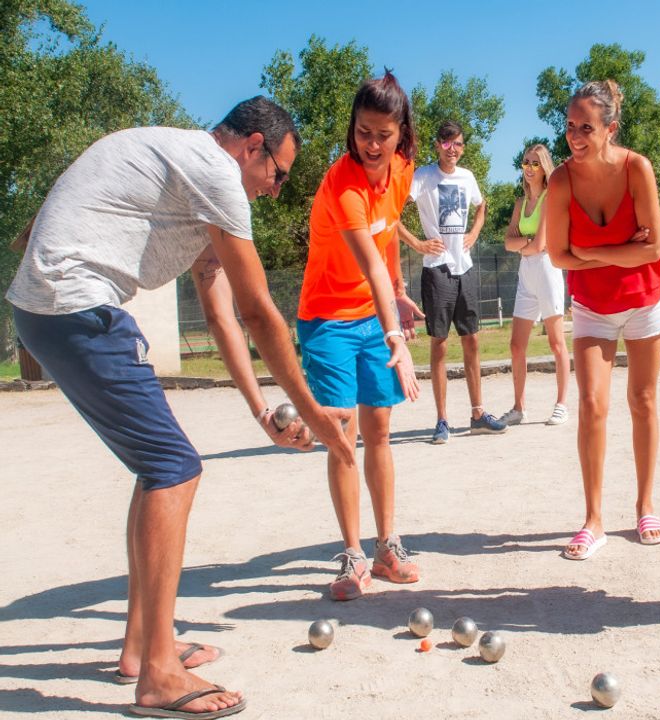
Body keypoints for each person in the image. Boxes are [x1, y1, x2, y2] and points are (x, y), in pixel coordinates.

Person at [6, 96, 354, 718]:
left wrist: (261, 412)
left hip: (54, 308)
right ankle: (160, 678)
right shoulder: (215, 173)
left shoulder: (187, 170)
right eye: (277, 174)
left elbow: (220, 308)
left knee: (159, 468)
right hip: (77, 307)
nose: (274, 191)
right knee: (175, 469)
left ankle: (143, 648)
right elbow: (259, 313)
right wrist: (319, 416)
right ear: (253, 146)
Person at [298, 72, 424, 602]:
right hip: (327, 318)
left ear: (401, 135)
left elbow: (388, 237)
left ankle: (386, 547)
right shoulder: (342, 185)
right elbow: (367, 262)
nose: (371, 145)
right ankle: (352, 556)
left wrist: (397, 292)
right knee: (342, 434)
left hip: (373, 316)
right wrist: (395, 330)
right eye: (362, 132)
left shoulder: (402, 170)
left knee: (380, 431)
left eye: (383, 134)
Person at [545, 80, 660, 560]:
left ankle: (645, 506)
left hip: (645, 298)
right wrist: (622, 253)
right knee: (592, 404)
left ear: (610, 128)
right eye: (570, 127)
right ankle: (593, 520)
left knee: (642, 400)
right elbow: (559, 257)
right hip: (593, 307)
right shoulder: (560, 180)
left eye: (586, 127)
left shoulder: (638, 168)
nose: (575, 137)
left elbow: (655, 248)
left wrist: (589, 252)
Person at [398, 121, 507, 443]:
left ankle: (477, 414)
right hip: (437, 269)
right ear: (437, 145)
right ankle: (442, 420)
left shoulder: (468, 177)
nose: (452, 149)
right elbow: (391, 212)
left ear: (463, 147)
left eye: (457, 144)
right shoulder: (423, 177)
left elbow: (481, 205)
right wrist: (417, 244)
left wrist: (474, 232)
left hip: (465, 268)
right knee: (440, 343)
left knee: (472, 340)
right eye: (446, 143)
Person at [498, 144, 570, 426]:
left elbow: (541, 244)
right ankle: (518, 408)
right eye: (526, 162)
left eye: (535, 163)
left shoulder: (551, 198)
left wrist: (524, 245)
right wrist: (525, 246)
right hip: (526, 272)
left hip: (548, 270)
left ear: (544, 168)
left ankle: (562, 404)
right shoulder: (519, 204)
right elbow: (508, 242)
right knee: (517, 345)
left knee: (556, 342)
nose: (529, 167)